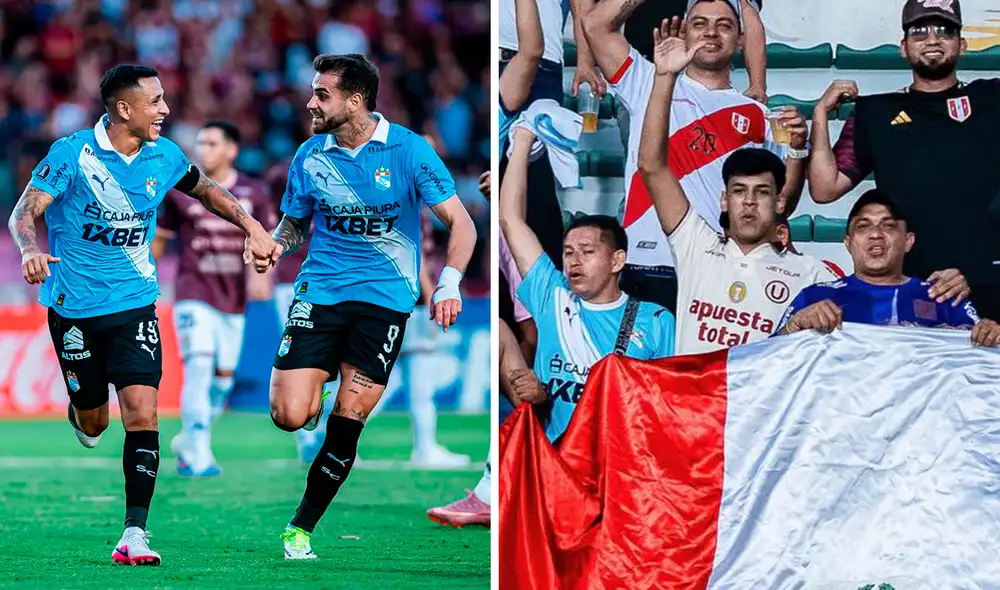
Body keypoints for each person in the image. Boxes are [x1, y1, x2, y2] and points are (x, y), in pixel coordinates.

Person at [6, 64, 276, 565]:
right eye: (156, 102)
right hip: (74, 310)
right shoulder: (71, 154)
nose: (165, 110)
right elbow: (24, 212)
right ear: (124, 108)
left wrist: (253, 226)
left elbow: (207, 190)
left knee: (143, 413)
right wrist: (29, 249)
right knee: (95, 424)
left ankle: (134, 533)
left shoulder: (164, 155)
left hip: (135, 305)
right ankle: (82, 411)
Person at [264, 54, 477, 559]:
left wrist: (448, 284)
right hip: (320, 293)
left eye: (322, 95)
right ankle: (314, 390)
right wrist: (275, 244)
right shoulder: (310, 155)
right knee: (289, 416)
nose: (311, 103)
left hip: (385, 302)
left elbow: (462, 222)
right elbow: (295, 223)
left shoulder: (409, 150)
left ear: (355, 101)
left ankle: (300, 528)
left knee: (350, 415)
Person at [582, 0, 807, 313]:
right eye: (699, 24)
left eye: (724, 25)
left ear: (740, 40)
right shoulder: (648, 79)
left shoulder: (759, 115)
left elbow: (783, 205)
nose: (711, 32)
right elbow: (594, 24)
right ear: (685, 32)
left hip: (715, 268)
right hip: (644, 264)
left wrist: (798, 150)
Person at [636, 19, 833, 355]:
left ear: (780, 203)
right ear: (724, 201)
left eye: (762, 192)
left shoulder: (812, 274)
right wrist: (665, 77)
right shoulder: (695, 246)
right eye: (739, 191)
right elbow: (651, 166)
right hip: (696, 390)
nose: (749, 201)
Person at [808, 0, 1000, 321]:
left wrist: (978, 271)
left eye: (944, 31)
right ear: (903, 47)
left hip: (987, 283)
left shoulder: (993, 98)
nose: (932, 39)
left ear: (962, 44)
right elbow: (825, 188)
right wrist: (819, 114)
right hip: (908, 290)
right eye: (919, 32)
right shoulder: (875, 113)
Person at [501, 126, 676, 443]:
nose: (574, 261)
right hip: (557, 457)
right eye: (568, 252)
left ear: (617, 260)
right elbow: (510, 219)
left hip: (620, 459)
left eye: (587, 251)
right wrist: (524, 137)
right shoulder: (552, 294)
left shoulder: (656, 320)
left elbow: (665, 407)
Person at [153, 121, 277, 477]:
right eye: (200, 143)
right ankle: (199, 455)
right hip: (193, 292)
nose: (203, 150)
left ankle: (188, 441)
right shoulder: (180, 191)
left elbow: (266, 239)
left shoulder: (254, 193)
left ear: (232, 150)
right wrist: (142, 277)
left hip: (233, 299)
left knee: (222, 382)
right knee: (199, 366)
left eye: (211, 143)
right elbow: (160, 240)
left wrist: (261, 276)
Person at [775, 189, 1000, 347]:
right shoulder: (815, 297)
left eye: (889, 226)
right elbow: (769, 362)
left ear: (908, 241)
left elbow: (982, 361)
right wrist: (793, 327)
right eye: (863, 226)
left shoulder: (943, 297)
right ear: (848, 242)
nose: (875, 234)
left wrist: (991, 334)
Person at [623, 0, 768, 102]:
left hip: (703, 77)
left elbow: (747, 15)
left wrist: (757, 85)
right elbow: (607, 23)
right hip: (641, 69)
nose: (711, 32)